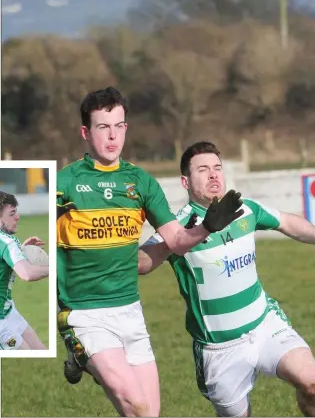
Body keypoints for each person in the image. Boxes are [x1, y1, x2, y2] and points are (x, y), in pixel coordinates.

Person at [56, 87, 244, 417]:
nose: (112, 136)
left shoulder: (141, 182)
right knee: (139, 407)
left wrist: (206, 228)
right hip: (83, 314)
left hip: (129, 311)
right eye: (103, 127)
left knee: (148, 415)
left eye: (119, 126)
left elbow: (175, 240)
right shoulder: (64, 184)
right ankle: (81, 349)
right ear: (86, 132)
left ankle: (81, 359)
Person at [138, 141, 315, 417]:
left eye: (217, 168)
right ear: (185, 181)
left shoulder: (245, 210)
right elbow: (142, 262)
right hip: (220, 350)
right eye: (203, 169)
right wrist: (183, 240)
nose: (213, 175)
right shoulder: (177, 228)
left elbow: (287, 221)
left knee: (312, 382)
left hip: (265, 325)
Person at [0, 191, 49, 350]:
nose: (18, 217)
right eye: (12, 213)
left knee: (40, 350)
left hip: (8, 310)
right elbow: (27, 274)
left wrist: (21, 250)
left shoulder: (7, 242)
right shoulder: (7, 242)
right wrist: (52, 269)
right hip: (1, 322)